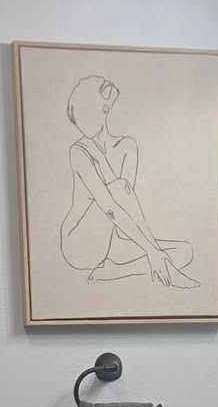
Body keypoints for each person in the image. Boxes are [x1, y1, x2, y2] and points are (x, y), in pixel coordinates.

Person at [59, 74, 197, 287]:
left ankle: (114, 271)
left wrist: (152, 250)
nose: (81, 124)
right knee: (120, 187)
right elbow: (109, 204)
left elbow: (126, 207)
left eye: (85, 113)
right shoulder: (78, 151)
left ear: (104, 109)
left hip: (113, 234)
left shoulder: (127, 147)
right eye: (77, 118)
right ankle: (156, 261)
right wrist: (151, 250)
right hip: (79, 241)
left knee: (184, 251)